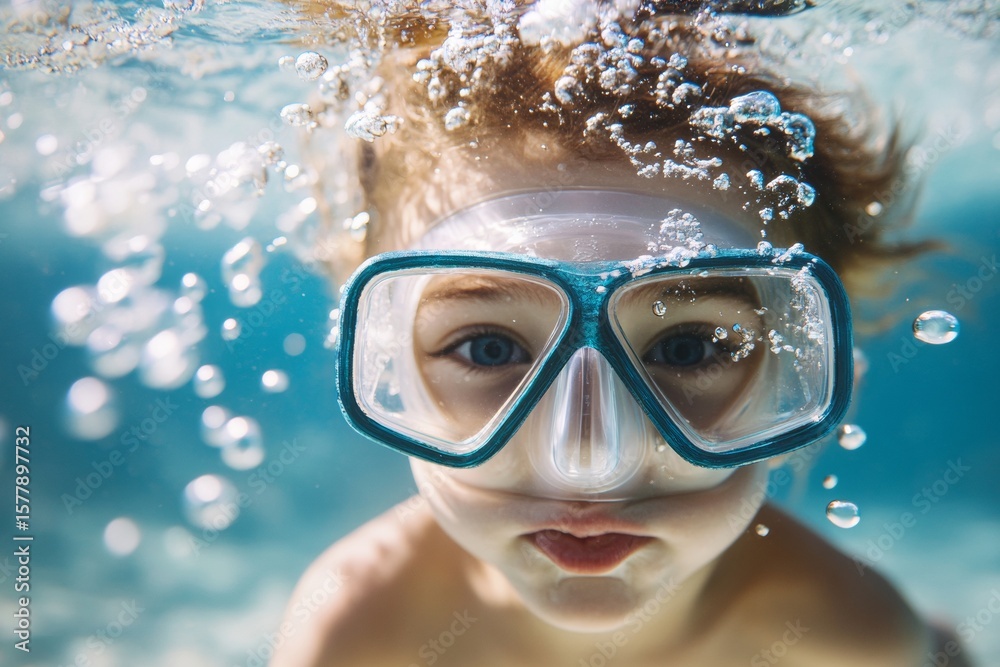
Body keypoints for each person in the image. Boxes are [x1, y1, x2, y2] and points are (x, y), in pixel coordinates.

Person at [273, 3, 965, 665]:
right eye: (491, 348)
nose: (588, 459)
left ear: (797, 381)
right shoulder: (356, 633)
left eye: (686, 348)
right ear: (387, 365)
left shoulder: (850, 643)